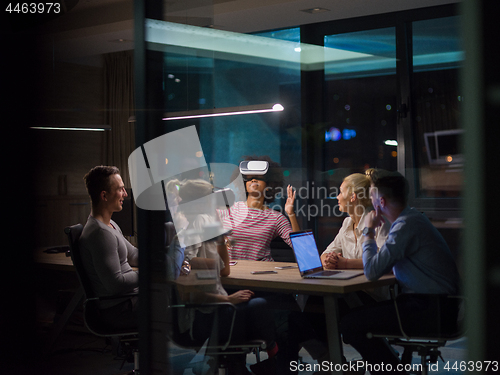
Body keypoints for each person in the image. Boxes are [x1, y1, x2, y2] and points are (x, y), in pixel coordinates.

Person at [339, 170, 461, 374]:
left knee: (350, 324)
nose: (369, 203)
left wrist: (368, 231)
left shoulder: (405, 226)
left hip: (431, 310)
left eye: (372, 198)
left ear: (382, 202)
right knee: (355, 314)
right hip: (439, 306)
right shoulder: (411, 219)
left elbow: (372, 271)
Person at [171, 178, 280, 375]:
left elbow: (224, 271)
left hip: (211, 309)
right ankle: (271, 359)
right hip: (202, 316)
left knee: (258, 304)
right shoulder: (195, 230)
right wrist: (227, 298)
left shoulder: (204, 226)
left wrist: (220, 239)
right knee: (262, 306)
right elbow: (189, 293)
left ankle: (236, 363)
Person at [79, 166, 139, 331]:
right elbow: (115, 284)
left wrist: (160, 260)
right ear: (104, 195)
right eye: (120, 189)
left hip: (129, 300)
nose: (125, 195)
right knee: (177, 308)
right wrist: (151, 273)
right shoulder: (100, 233)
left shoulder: (110, 225)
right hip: (120, 309)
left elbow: (133, 254)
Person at [218, 155, 298, 261]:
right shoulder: (228, 211)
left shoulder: (276, 218)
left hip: (262, 273)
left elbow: (300, 248)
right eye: (249, 178)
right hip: (233, 272)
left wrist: (291, 213)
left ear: (269, 184)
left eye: (259, 177)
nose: (253, 180)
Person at [320, 172, 390, 270]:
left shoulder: (379, 222)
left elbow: (385, 261)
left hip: (372, 284)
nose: (337, 197)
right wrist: (329, 261)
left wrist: (345, 263)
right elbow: (325, 254)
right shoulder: (347, 223)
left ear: (353, 196)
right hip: (349, 284)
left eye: (340, 192)